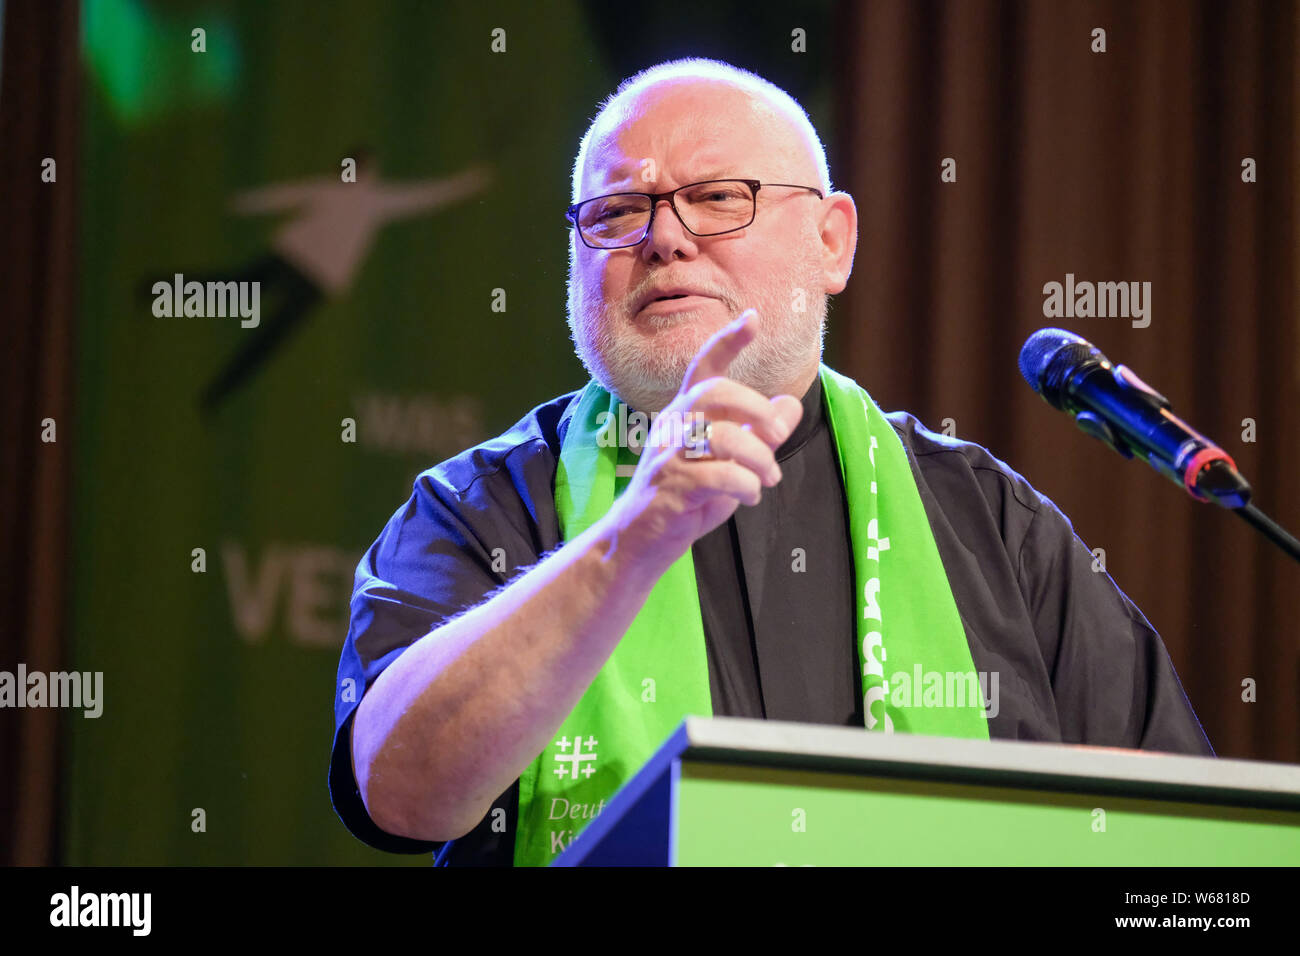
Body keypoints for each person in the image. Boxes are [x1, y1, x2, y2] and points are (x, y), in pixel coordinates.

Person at [329, 58, 1214, 866]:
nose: (664, 240)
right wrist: (631, 540)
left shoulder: (988, 524)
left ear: (833, 242)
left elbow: (1193, 845)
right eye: (616, 213)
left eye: (718, 197)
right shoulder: (481, 507)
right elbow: (399, 794)